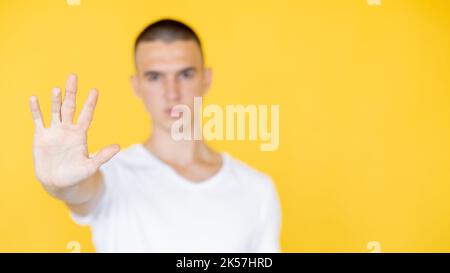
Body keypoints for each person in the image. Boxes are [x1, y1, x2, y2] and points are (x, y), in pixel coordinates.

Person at [29, 18, 281, 252]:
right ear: (136, 84)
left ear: (206, 78)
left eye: (185, 74)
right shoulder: (112, 175)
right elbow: (82, 192)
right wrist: (62, 185)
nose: (172, 93)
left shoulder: (257, 189)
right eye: (154, 77)